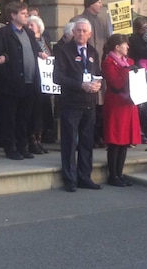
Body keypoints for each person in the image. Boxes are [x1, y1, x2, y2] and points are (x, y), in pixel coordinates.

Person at [54, 18, 102, 192]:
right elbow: (57, 77)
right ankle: (70, 178)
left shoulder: (93, 52)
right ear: (73, 32)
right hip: (71, 103)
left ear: (90, 34)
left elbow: (97, 73)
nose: (81, 33)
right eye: (78, 30)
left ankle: (84, 176)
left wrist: (98, 84)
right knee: (69, 142)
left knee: (87, 142)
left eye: (84, 31)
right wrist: (80, 85)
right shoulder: (63, 51)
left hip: (89, 103)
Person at [0, 1, 45, 160]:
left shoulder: (29, 33)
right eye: (23, 14)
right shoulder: (3, 33)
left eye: (26, 13)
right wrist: (6, 70)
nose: (26, 16)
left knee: (24, 117)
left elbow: (35, 49)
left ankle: (23, 146)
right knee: (10, 118)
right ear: (13, 15)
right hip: (12, 84)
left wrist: (41, 54)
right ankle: (11, 147)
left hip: (29, 82)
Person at [71, 0, 112, 148]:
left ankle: (98, 135)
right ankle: (87, 137)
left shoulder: (103, 21)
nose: (101, 5)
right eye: (98, 2)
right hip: (81, 67)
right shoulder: (77, 21)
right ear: (90, 4)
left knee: (99, 104)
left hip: (98, 66)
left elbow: (109, 41)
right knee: (87, 104)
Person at [101, 34, 141, 187]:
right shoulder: (108, 63)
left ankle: (120, 173)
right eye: (125, 44)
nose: (128, 47)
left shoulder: (129, 62)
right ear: (117, 47)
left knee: (125, 142)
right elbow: (116, 83)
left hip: (128, 104)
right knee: (115, 141)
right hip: (116, 104)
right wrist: (128, 70)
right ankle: (113, 175)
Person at [27, 14, 53, 154]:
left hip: (45, 83)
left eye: (32, 25)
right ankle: (32, 140)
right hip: (34, 81)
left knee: (43, 113)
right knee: (34, 113)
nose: (29, 27)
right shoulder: (28, 41)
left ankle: (39, 139)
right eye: (28, 25)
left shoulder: (45, 41)